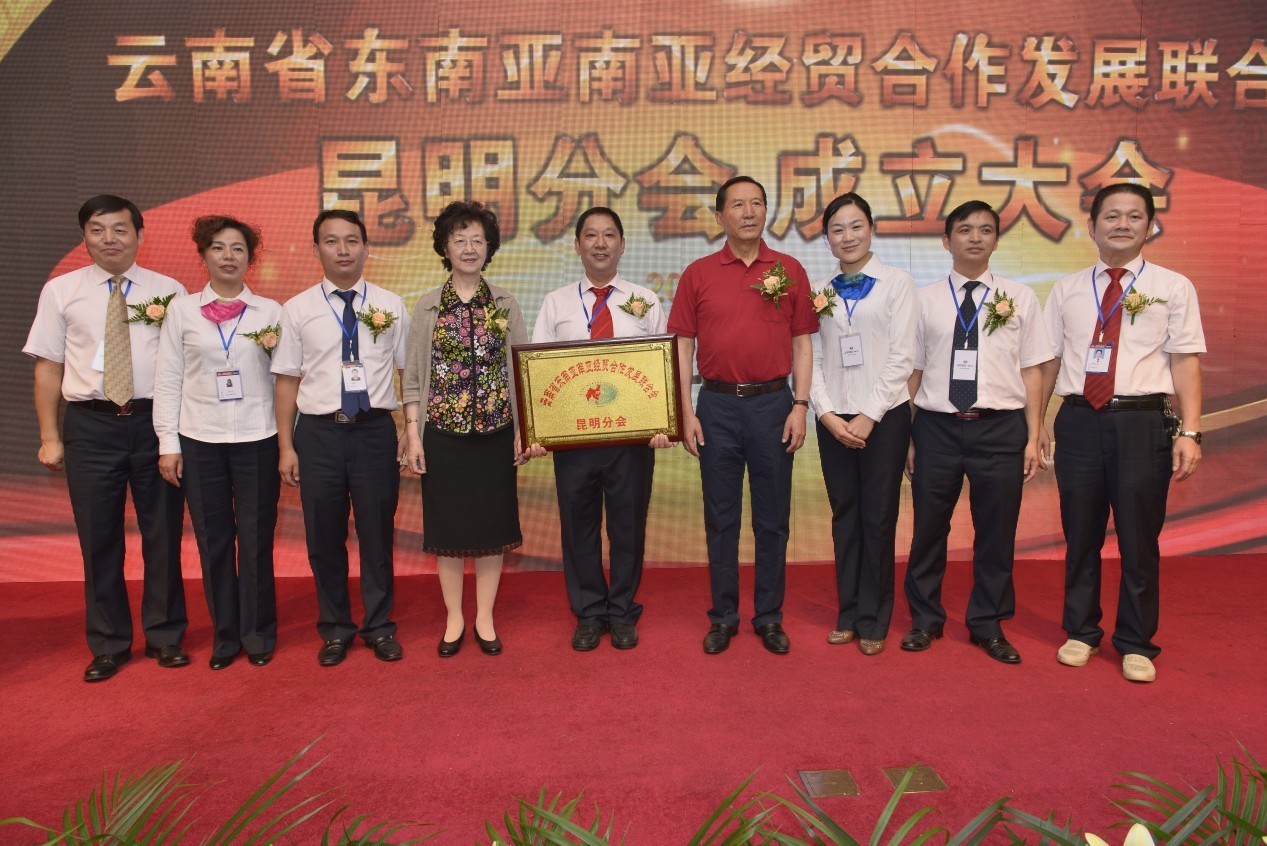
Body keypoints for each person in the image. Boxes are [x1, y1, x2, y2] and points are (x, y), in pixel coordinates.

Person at [1040, 183, 1205, 684]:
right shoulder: (1067, 289)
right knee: (1080, 533)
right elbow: (1048, 362)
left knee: (1139, 537)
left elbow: (1185, 361)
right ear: (1091, 226)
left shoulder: (1173, 286)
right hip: (1078, 420)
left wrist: (1191, 431)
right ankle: (1081, 631)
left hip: (1142, 422)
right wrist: (1038, 424)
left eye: (1134, 216)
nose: (1122, 224)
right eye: (1111, 216)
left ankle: (1135, 641)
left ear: (1150, 226)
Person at [24, 195, 188, 681]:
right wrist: (50, 436)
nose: (109, 239)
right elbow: (48, 368)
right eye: (98, 230)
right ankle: (109, 644)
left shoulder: (169, 291)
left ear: (139, 235)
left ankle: (165, 636)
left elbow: (185, 366)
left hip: (154, 422)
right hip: (90, 426)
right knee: (98, 538)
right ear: (85, 237)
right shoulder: (61, 291)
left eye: (120, 229)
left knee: (163, 535)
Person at [667, 176, 818, 655]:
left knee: (773, 519)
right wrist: (685, 411)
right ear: (719, 216)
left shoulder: (789, 269)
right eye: (737, 204)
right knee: (721, 517)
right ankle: (724, 616)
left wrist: (800, 405)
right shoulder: (698, 273)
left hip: (774, 405)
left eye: (756, 203)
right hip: (716, 407)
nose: (748, 212)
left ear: (766, 211)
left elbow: (802, 343)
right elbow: (682, 346)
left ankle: (769, 617)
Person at [901, 200, 1050, 664]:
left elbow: (1033, 369)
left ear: (996, 240)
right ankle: (925, 620)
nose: (975, 237)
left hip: (1000, 429)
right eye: (965, 229)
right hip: (936, 428)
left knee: (997, 531)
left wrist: (1033, 434)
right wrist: (909, 436)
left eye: (986, 229)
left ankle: (988, 624)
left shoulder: (1020, 297)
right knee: (929, 529)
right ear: (947, 241)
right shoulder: (923, 300)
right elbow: (913, 371)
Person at [529, 207, 672, 651]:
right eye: (591, 235)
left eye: (609, 235)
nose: (600, 243)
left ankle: (622, 611)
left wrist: (664, 421)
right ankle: (590, 612)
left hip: (631, 439)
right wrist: (538, 431)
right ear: (577, 245)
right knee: (579, 528)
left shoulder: (645, 300)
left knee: (628, 527)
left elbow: (663, 367)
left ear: (622, 245)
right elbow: (537, 370)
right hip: (574, 440)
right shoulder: (556, 303)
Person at [271, 209, 409, 667]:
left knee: (377, 533)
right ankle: (334, 629)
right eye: (331, 241)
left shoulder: (391, 305)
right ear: (316, 250)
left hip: (374, 432)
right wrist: (286, 446)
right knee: (323, 537)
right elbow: (287, 380)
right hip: (318, 435)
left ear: (367, 247)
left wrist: (409, 431)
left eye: (352, 240)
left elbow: (408, 373)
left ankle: (379, 626)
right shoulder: (297, 309)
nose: (343, 249)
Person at [153, 215, 282, 670]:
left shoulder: (271, 313)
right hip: (199, 439)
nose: (229, 257)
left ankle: (258, 633)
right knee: (213, 541)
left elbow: (285, 383)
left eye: (238, 249)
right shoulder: (181, 310)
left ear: (251, 258)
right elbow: (168, 379)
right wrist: (168, 442)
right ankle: (226, 636)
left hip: (258, 437)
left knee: (256, 540)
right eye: (218, 248)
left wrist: (288, 441)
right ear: (203, 255)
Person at [402, 201, 526, 657]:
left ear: (489, 247)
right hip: (443, 436)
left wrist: (524, 430)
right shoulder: (427, 306)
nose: (469, 248)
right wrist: (412, 433)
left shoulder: (505, 303)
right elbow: (413, 379)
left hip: (496, 434)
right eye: (460, 240)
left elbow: (521, 372)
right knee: (449, 532)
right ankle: (454, 617)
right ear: (445, 248)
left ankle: (484, 617)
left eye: (477, 240)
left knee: (493, 528)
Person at [808, 193, 916, 656]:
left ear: (871, 229)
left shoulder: (897, 283)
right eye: (837, 229)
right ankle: (848, 612)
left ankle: (874, 616)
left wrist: (870, 415)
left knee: (878, 516)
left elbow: (903, 356)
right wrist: (827, 414)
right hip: (834, 419)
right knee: (844, 514)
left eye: (856, 226)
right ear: (827, 238)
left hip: (885, 418)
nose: (847, 236)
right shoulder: (820, 291)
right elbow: (809, 357)